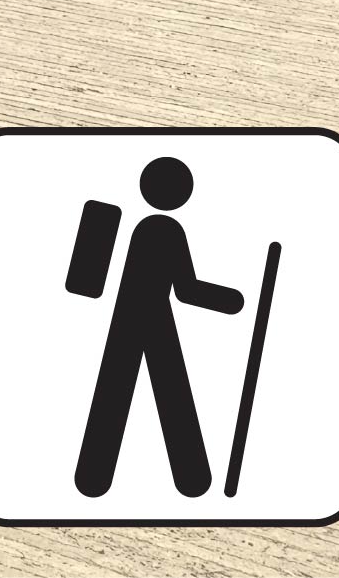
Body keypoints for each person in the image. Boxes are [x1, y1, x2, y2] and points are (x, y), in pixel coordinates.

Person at [76, 156, 245, 497]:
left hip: (130, 319)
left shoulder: (127, 222)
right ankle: (191, 480)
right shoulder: (165, 230)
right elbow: (187, 290)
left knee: (118, 394)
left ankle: (94, 479)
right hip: (150, 321)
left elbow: (85, 279)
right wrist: (233, 301)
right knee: (170, 393)